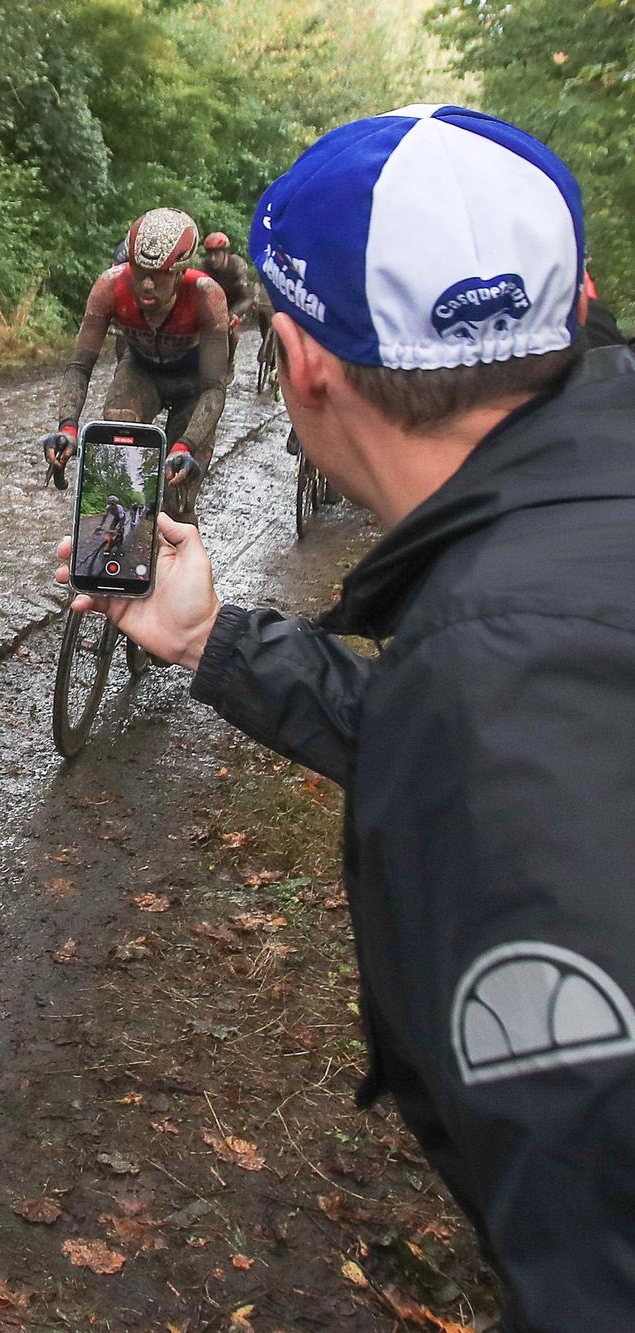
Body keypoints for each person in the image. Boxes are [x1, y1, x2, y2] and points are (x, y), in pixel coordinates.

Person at [60, 106, 635, 1327]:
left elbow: (592, 1234)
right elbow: (480, 744)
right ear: (574, 308)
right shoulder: (547, 577)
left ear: (301, 363)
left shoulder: (499, 668)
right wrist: (217, 640)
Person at [38, 208, 231, 521]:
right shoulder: (110, 286)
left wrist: (186, 446)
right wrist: (68, 427)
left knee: (174, 497)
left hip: (193, 384)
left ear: (181, 272)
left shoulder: (206, 295)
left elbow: (213, 388)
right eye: (139, 271)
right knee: (116, 461)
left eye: (159, 275)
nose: (147, 285)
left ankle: (177, 541)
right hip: (141, 371)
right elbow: (79, 367)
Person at [199, 230, 266, 369]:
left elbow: (246, 297)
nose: (212, 258)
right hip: (214, 300)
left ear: (225, 253)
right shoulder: (204, 266)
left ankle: (230, 362)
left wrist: (235, 314)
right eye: (209, 253)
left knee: (232, 333)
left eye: (216, 254)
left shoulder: (236, 265)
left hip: (236, 301)